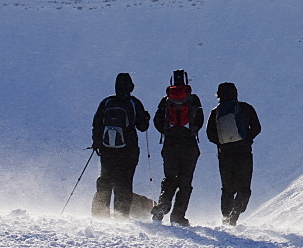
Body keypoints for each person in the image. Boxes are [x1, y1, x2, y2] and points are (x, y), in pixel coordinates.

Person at [91, 72, 150, 219]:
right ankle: (121, 215)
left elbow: (97, 124)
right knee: (124, 181)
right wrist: (146, 117)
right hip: (128, 149)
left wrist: (97, 143)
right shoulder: (134, 103)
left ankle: (100, 213)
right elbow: (143, 127)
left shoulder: (106, 102)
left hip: (107, 149)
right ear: (131, 87)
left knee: (105, 179)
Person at [151, 69, 204, 226]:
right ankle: (178, 216)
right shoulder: (193, 99)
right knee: (185, 183)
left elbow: (157, 120)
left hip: (170, 144)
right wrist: (190, 132)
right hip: (189, 144)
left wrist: (168, 132)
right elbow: (200, 120)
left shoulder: (166, 100)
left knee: (170, 178)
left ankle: (163, 205)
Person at [206, 82, 262, 226]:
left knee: (227, 188)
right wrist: (247, 139)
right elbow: (257, 127)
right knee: (244, 188)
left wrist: (221, 143)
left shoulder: (216, 112)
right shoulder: (246, 108)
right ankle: (235, 212)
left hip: (225, 154)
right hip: (244, 153)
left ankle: (226, 217)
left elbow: (210, 134)